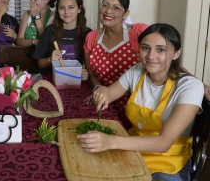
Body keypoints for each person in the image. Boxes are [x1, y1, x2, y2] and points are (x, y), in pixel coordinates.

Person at [79, 23, 204, 181]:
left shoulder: (190, 87)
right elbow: (111, 92)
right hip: (132, 148)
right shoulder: (137, 71)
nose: (151, 56)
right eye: (145, 48)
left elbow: (163, 143)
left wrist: (110, 141)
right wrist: (103, 91)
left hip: (168, 162)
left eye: (161, 50)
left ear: (176, 53)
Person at [83, 0, 148, 127]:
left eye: (116, 8)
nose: (108, 11)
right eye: (105, 5)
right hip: (107, 104)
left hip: (137, 106)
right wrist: (100, 92)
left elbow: (165, 58)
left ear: (126, 14)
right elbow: (92, 74)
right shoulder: (92, 38)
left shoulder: (138, 33)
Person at [33, 0, 91, 80]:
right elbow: (40, 64)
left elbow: (93, 67)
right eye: (61, 8)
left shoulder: (88, 34)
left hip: (76, 81)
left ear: (79, 9)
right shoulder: (49, 31)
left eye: (71, 7)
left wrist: (86, 73)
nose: (66, 12)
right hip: (52, 80)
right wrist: (49, 59)